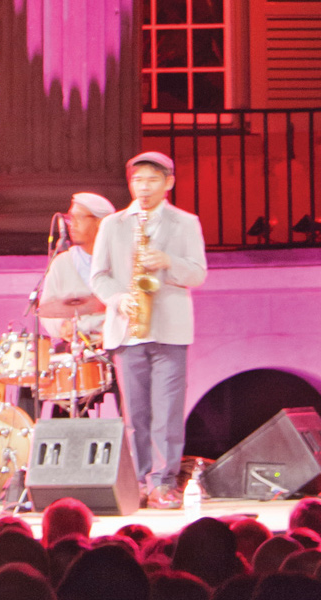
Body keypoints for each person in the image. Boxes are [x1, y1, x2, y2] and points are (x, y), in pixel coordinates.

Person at [89, 151, 207, 510]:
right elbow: (98, 276)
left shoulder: (185, 223)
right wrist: (117, 299)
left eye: (152, 180)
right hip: (128, 330)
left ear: (169, 183)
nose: (143, 187)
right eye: (137, 180)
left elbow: (198, 274)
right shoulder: (113, 224)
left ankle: (163, 482)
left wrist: (169, 262)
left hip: (170, 329)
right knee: (135, 414)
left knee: (168, 410)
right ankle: (139, 480)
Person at [40, 192, 116, 345]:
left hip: (116, 344)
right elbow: (45, 310)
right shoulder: (62, 263)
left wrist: (115, 332)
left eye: (79, 218)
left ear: (101, 222)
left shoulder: (121, 260)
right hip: (77, 347)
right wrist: (62, 326)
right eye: (70, 218)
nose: (71, 224)